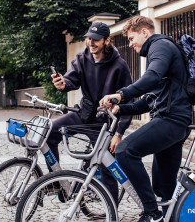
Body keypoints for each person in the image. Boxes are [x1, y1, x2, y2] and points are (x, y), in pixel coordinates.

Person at [100, 15, 192, 222]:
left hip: (172, 120)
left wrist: (121, 93)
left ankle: (151, 212)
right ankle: (165, 215)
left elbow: (151, 78)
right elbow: (149, 100)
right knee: (165, 189)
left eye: (132, 38)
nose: (130, 44)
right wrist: (120, 108)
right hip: (172, 120)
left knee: (125, 150)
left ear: (145, 32)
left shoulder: (160, 46)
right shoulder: (159, 51)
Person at [47, 21, 133, 205]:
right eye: (88, 38)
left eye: (95, 39)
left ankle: (112, 210)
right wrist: (62, 84)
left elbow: (129, 102)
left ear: (106, 40)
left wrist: (119, 133)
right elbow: (71, 80)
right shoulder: (81, 58)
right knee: (49, 132)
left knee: (106, 167)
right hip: (83, 114)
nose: (90, 42)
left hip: (103, 123)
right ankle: (57, 183)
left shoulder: (119, 65)